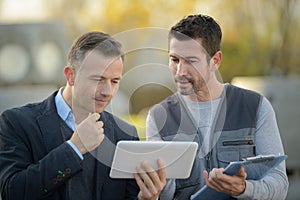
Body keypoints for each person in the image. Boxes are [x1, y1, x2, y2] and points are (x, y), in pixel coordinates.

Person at [0, 31, 166, 200]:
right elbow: (11, 193)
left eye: (114, 81)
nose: (107, 91)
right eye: (98, 79)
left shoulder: (125, 135)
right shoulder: (17, 123)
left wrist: (146, 199)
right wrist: (74, 148)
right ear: (71, 76)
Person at [147, 14, 289, 199]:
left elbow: (280, 184)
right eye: (174, 60)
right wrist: (158, 183)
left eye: (190, 61)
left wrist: (244, 189)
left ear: (215, 60)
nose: (180, 71)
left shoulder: (256, 107)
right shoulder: (158, 117)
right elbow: (163, 195)